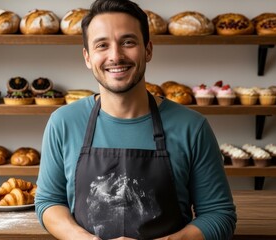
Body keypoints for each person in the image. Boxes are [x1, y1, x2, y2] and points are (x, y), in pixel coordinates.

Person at [35, 0, 237, 239]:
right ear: (88, 57)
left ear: (148, 49)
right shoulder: (63, 123)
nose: (116, 56)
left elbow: (219, 214)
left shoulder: (192, 127)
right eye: (102, 45)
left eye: (128, 42)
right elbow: (49, 202)